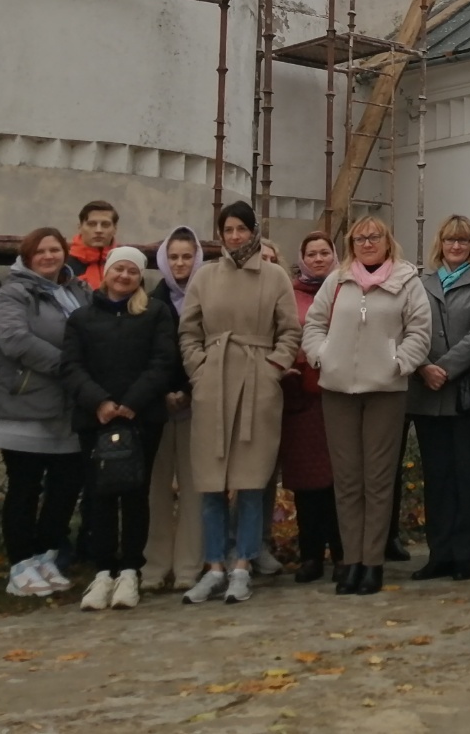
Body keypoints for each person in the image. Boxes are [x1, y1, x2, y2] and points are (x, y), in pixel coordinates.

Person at [301, 215, 432, 596]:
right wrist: (321, 355)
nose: (367, 243)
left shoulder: (406, 281)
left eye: (374, 237)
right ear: (351, 245)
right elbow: (314, 324)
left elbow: (419, 330)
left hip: (385, 391)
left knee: (377, 479)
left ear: (388, 241)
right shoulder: (337, 280)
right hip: (338, 389)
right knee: (347, 480)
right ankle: (351, 560)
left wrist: (399, 364)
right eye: (360, 238)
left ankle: (372, 562)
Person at [177, 201, 299, 605]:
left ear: (253, 231)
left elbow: (290, 331)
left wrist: (272, 368)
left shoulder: (275, 276)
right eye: (227, 230)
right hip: (213, 383)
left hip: (257, 383)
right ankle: (214, 567)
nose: (234, 236)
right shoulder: (205, 276)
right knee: (210, 482)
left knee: (251, 480)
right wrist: (199, 369)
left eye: (240, 229)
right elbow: (189, 331)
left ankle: (243, 565)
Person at [60, 246, 178, 611]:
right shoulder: (81, 317)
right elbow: (71, 366)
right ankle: (102, 571)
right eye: (118, 269)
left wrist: (132, 402)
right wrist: (99, 402)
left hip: (140, 418)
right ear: (108, 273)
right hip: (95, 419)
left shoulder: (155, 313)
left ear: (140, 277)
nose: (124, 276)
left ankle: (130, 570)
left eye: (132, 271)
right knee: (99, 495)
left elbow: (163, 361)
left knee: (135, 494)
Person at [0, 226, 90, 598]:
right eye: (41, 251)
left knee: (65, 488)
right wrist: (69, 367)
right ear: (28, 256)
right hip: (25, 405)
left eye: (55, 250)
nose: (49, 256)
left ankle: (46, 557)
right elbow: (14, 340)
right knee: (25, 489)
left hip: (69, 409)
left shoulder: (78, 291)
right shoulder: (12, 294)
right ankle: (20, 564)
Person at [409, 215, 470, 583]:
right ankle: (439, 553)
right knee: (438, 478)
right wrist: (423, 367)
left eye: (463, 241)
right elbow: (409, 327)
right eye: (451, 240)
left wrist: (444, 368)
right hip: (427, 394)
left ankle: (465, 553)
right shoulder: (421, 283)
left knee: (468, 476)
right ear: (441, 244)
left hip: (465, 393)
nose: (456, 246)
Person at [143, 226, 204, 592]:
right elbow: (147, 353)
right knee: (157, 488)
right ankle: (155, 564)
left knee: (195, 487)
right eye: (174, 257)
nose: (180, 263)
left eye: (187, 256)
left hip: (198, 402)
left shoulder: (207, 296)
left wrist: (189, 389)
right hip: (158, 406)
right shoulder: (151, 300)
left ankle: (188, 566)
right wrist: (164, 391)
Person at [281, 232, 343, 584]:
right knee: (308, 483)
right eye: (312, 254)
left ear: (334, 256)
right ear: (302, 259)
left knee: (340, 481)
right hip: (302, 398)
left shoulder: (345, 288)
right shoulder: (290, 294)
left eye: (324, 253)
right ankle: (311, 555)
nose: (318, 259)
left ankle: (343, 552)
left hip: (339, 396)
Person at [67, 200, 118, 291]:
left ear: (115, 229)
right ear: (80, 227)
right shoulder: (64, 265)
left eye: (105, 225)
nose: (98, 230)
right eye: (91, 224)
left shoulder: (125, 264)